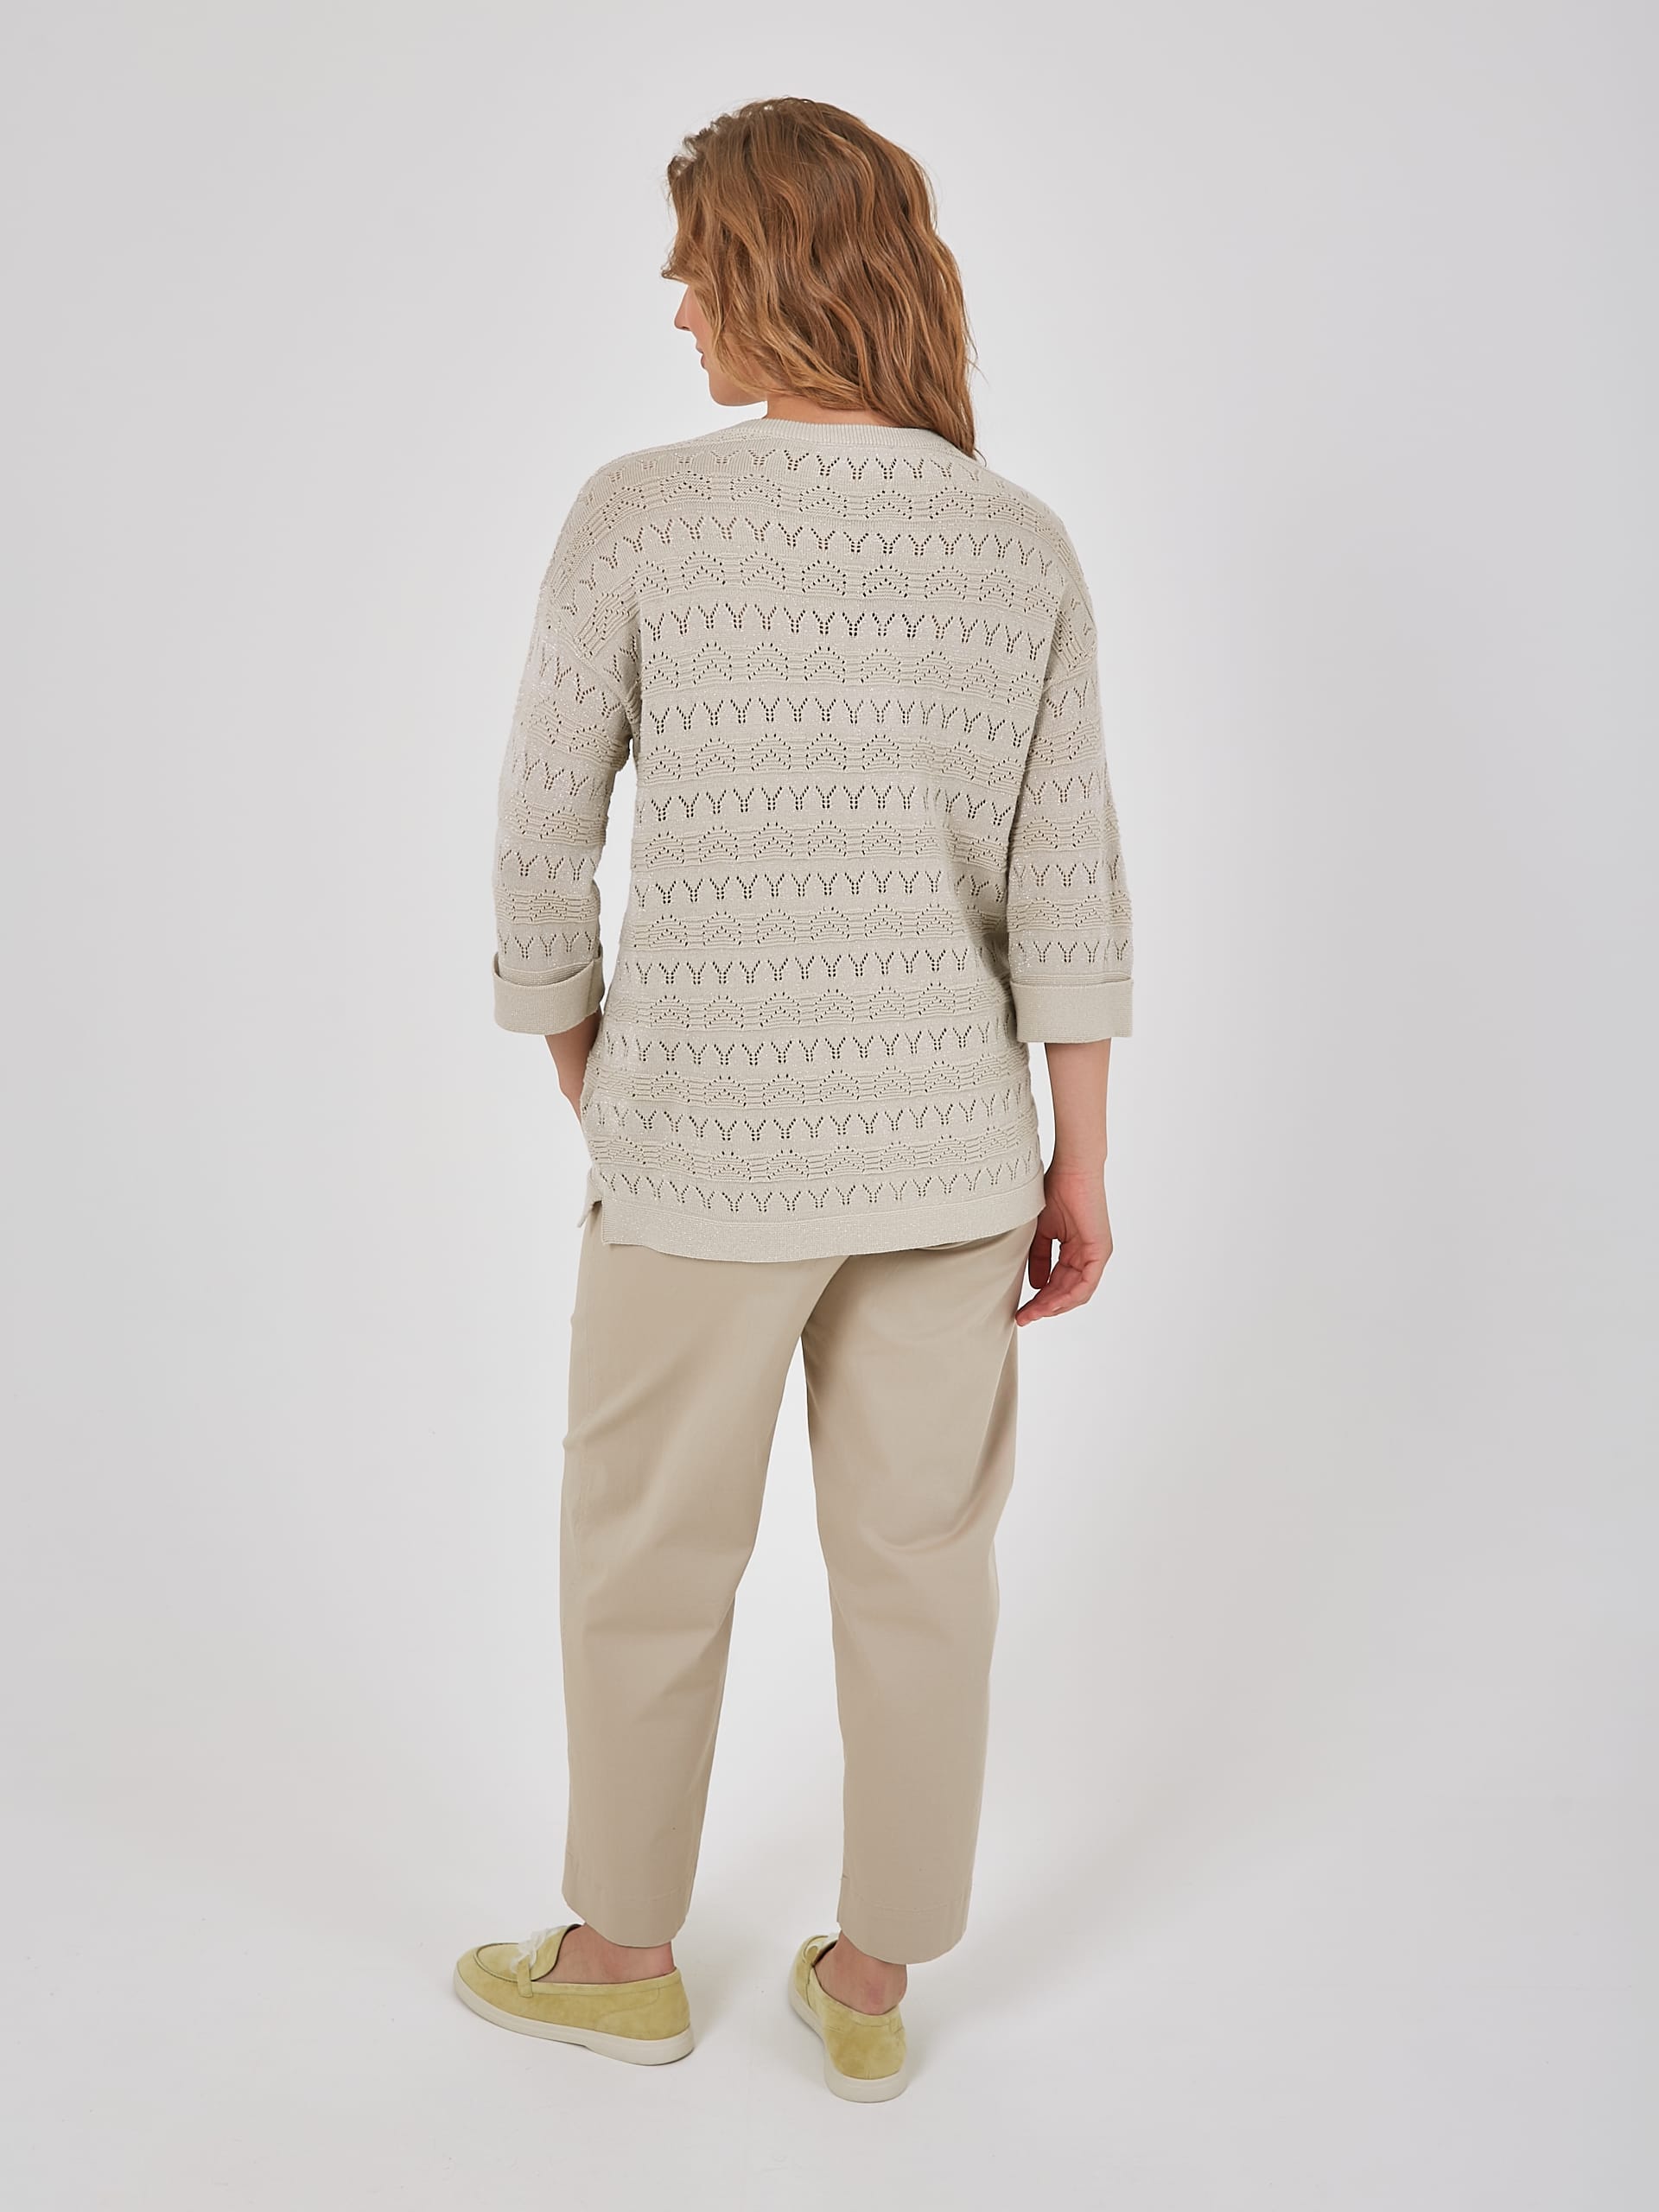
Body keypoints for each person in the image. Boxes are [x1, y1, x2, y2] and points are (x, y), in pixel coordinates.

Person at [453, 95, 1134, 2102]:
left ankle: (618, 1956)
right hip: (951, 1163)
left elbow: (538, 838)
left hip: (698, 1152)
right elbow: (1072, 880)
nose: (676, 307)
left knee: (644, 1557)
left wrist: (591, 1062)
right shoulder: (1016, 544)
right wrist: (1081, 1162)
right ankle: (872, 1977)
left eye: (697, 269)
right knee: (924, 1574)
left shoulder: (639, 514)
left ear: (771, 269)